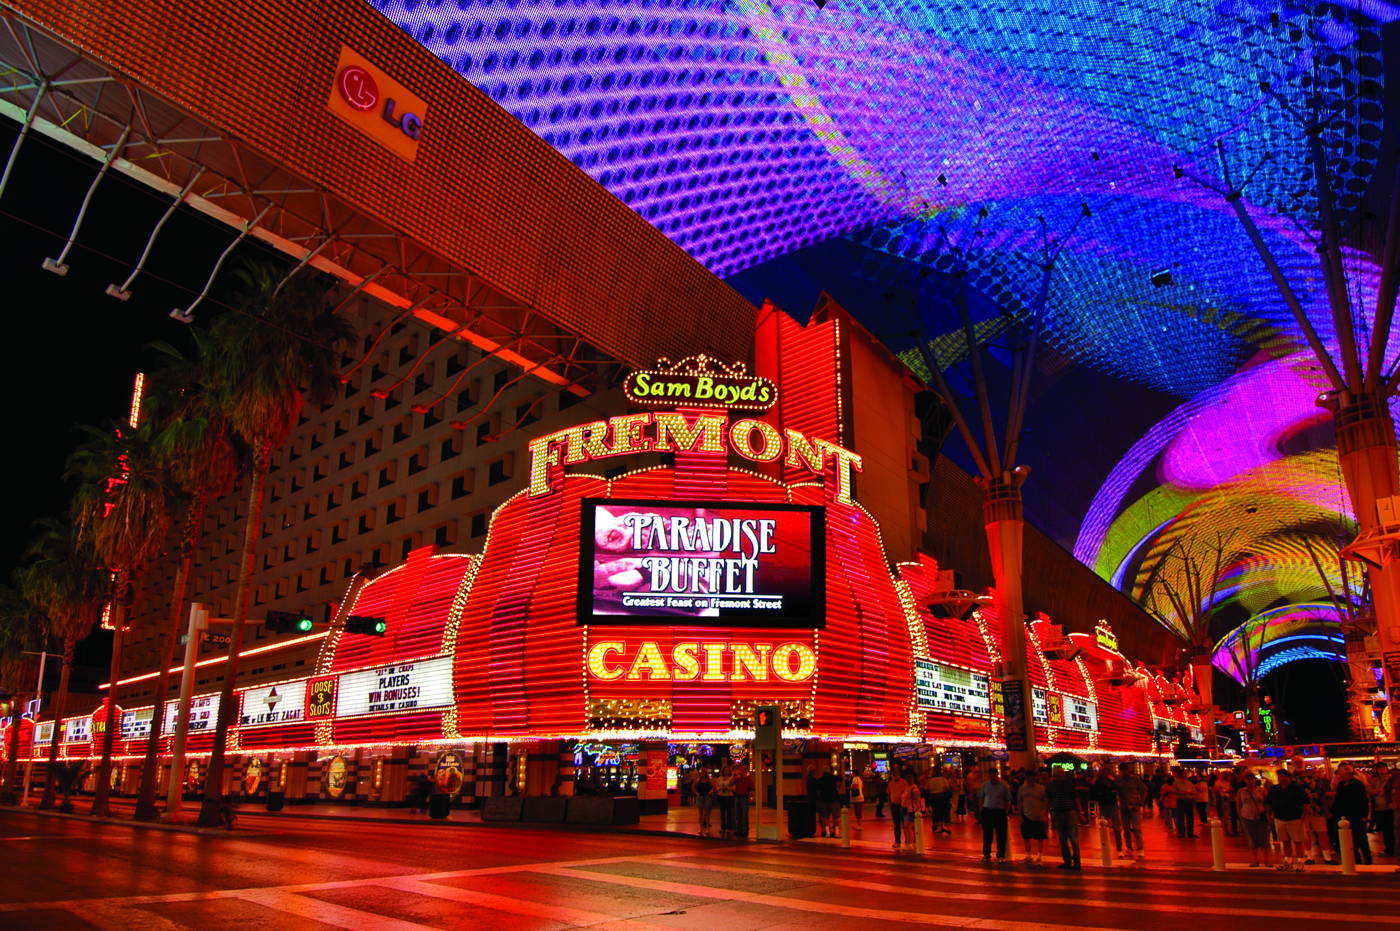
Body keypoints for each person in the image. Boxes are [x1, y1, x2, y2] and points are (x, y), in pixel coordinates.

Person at [1267, 769, 1310, 872]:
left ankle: (1300, 862)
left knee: (1298, 841)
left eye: (1283, 777)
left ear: (1288, 777)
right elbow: (1269, 803)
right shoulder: (1274, 789)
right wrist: (1270, 815)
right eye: (1279, 777)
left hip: (1294, 818)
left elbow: (1305, 803)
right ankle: (1288, 861)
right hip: (1280, 818)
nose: (1281, 779)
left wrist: (1303, 816)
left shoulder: (1296, 789)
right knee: (1285, 841)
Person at [1332, 763, 1373, 866]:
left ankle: (1367, 859)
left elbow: (1363, 799)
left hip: (1356, 814)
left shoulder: (1357, 784)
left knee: (1361, 837)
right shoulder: (1341, 785)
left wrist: (1364, 814)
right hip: (1344, 815)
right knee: (1350, 838)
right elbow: (1338, 800)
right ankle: (1356, 858)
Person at [1047, 767, 1082, 870]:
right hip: (1065, 811)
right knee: (1069, 837)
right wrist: (1079, 812)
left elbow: (1049, 800)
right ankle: (1074, 861)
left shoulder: (1053, 785)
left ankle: (1070, 861)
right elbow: (1075, 798)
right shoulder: (1068, 784)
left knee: (1066, 838)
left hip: (1061, 811)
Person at [1235, 772, 1272, 868]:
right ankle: (1255, 860)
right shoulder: (1241, 791)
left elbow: (1268, 803)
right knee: (1252, 839)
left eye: (1251, 779)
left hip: (1261, 816)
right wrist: (1240, 816)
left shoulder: (1261, 790)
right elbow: (1238, 804)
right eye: (1247, 779)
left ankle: (1267, 861)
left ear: (1255, 780)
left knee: (1264, 839)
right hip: (1247, 816)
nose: (1249, 781)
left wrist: (1268, 815)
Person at [978, 767, 1011, 862]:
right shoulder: (985, 785)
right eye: (990, 775)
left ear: (997, 775)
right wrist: (982, 810)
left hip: (999, 811)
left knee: (1001, 834)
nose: (992, 777)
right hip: (987, 810)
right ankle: (986, 854)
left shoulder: (1003, 786)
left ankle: (1001, 855)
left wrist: (1006, 811)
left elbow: (1008, 799)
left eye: (993, 774)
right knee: (987, 834)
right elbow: (981, 797)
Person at [1114, 763, 1147, 859]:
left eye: (1126, 770)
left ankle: (1140, 849)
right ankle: (1129, 848)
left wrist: (1140, 803)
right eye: (1123, 770)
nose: (1125, 772)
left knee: (1137, 829)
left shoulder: (1135, 779)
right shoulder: (1118, 780)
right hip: (1124, 807)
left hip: (1134, 806)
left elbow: (1144, 790)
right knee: (1126, 829)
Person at [1017, 768, 1049, 865]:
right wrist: (1020, 814)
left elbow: (1046, 801)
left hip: (1038, 815)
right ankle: (1028, 855)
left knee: (1040, 837)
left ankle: (1039, 856)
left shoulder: (1041, 788)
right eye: (1029, 776)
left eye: (1033, 776)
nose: (1031, 778)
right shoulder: (1022, 788)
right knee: (1026, 836)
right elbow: (1019, 801)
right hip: (1026, 815)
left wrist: (1044, 813)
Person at [1090, 766, 1123, 856]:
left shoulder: (1110, 782)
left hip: (1108, 805)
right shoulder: (1099, 782)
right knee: (1107, 827)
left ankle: (1118, 849)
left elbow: (1118, 788)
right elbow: (1093, 793)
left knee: (1114, 828)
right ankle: (1110, 848)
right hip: (1106, 805)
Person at [1370, 763, 1394, 858]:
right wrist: (1379, 791)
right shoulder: (1375, 780)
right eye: (1379, 768)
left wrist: (1380, 791)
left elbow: (1390, 791)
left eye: (1383, 768)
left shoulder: (1391, 779)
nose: (1381, 770)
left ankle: (1392, 849)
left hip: (1389, 807)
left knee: (1391, 829)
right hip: (1379, 808)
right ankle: (1389, 848)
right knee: (1385, 830)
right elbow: (1370, 790)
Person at [887, 768, 911, 848]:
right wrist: (890, 804)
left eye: (896, 774)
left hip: (902, 805)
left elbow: (907, 793)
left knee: (905, 824)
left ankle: (908, 840)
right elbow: (889, 793)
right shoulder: (890, 783)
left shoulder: (904, 782)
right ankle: (897, 841)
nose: (894, 776)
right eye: (893, 775)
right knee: (896, 825)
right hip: (894, 805)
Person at [926, 766, 953, 836]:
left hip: (934, 799)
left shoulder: (931, 781)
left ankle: (939, 827)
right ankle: (946, 827)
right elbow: (947, 788)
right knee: (945, 813)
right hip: (943, 798)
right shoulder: (943, 780)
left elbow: (927, 789)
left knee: (936, 813)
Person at [1171, 768, 1196, 839]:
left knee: (1190, 817)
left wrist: (1192, 794)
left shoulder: (1189, 783)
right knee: (1180, 817)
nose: (1185, 775)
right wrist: (1183, 792)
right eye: (1184, 774)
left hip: (1189, 801)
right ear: (1181, 774)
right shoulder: (1176, 782)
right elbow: (1173, 791)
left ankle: (1191, 833)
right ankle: (1181, 833)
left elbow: (1194, 791)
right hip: (1180, 801)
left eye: (1186, 774)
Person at [816, 765, 840, 838]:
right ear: (829, 771)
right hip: (834, 799)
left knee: (825, 817)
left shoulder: (820, 779)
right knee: (835, 816)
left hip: (823, 800)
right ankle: (836, 832)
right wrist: (838, 789)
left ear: (823, 772)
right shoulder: (834, 778)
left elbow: (818, 790)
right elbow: (840, 779)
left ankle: (827, 832)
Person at [713, 765, 735, 838]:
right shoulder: (719, 779)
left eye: (727, 770)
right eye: (725, 770)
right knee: (722, 813)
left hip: (729, 796)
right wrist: (720, 788)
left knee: (729, 813)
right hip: (721, 796)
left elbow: (734, 788)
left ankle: (729, 828)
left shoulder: (731, 778)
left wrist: (728, 788)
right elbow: (716, 787)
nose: (726, 772)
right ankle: (723, 828)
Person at [732, 766, 753, 840]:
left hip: (744, 796)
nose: (740, 772)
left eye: (742, 770)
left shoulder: (748, 779)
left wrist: (750, 797)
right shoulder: (737, 779)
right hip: (738, 796)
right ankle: (739, 829)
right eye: (740, 770)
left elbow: (751, 788)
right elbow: (731, 782)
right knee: (738, 814)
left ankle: (744, 830)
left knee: (744, 814)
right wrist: (734, 775)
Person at [694, 769, 715, 835]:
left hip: (707, 797)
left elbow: (714, 787)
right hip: (700, 797)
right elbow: (693, 787)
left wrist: (710, 792)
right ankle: (701, 828)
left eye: (703, 773)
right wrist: (696, 793)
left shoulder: (709, 780)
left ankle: (707, 828)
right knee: (700, 814)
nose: (702, 774)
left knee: (707, 814)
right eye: (701, 773)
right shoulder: (698, 780)